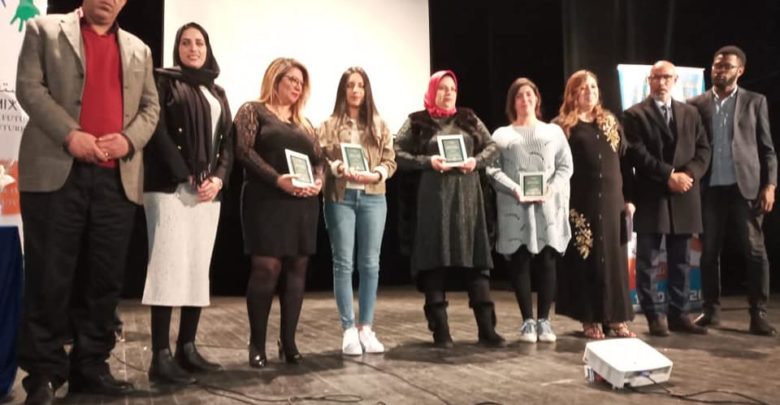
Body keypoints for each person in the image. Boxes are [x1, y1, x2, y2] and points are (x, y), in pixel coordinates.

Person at [14, 0, 159, 403]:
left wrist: (128, 140)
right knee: (49, 277)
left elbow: (151, 107)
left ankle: (91, 366)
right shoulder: (44, 30)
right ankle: (43, 374)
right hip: (56, 173)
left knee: (104, 280)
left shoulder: (140, 49)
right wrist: (70, 134)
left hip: (117, 179)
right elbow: (29, 87)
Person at [141, 22, 233, 385]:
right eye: (185, 42)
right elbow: (157, 131)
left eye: (199, 43)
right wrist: (185, 173)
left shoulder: (217, 91)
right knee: (167, 267)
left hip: (208, 191)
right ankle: (160, 356)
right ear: (177, 48)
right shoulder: (163, 82)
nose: (193, 48)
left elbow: (227, 143)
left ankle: (187, 348)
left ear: (207, 48)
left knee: (197, 267)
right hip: (169, 188)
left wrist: (218, 178)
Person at [395, 70, 504, 348]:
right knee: (434, 260)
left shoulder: (468, 118)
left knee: (476, 260)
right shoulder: (417, 121)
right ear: (433, 91)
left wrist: (476, 161)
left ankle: (487, 330)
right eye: (442, 88)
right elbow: (396, 151)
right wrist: (427, 161)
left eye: (452, 89)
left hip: (468, 199)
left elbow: (492, 146)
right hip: (433, 200)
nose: (448, 93)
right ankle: (441, 331)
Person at [234, 57, 323, 368]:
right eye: (291, 80)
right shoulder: (253, 110)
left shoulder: (304, 123)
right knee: (266, 269)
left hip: (302, 205)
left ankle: (289, 342)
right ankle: (257, 344)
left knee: (297, 270)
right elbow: (243, 151)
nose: (297, 87)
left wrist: (318, 182)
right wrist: (277, 180)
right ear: (275, 79)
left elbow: (319, 160)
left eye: (301, 83)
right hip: (266, 201)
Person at [688, 46, 777, 336]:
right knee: (708, 252)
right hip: (710, 188)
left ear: (740, 70)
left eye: (727, 66)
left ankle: (758, 313)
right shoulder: (696, 104)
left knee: (754, 251)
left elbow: (767, 149)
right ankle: (710, 310)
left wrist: (770, 185)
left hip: (745, 187)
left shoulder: (755, 101)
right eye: (717, 65)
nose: (720, 71)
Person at [623, 60, 711, 337]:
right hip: (652, 194)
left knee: (682, 260)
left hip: (685, 194)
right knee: (648, 261)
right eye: (656, 77)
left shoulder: (691, 112)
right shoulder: (634, 114)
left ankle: (679, 314)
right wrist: (669, 175)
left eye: (667, 77)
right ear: (649, 80)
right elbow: (637, 153)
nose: (661, 82)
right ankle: (654, 316)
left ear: (675, 80)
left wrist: (687, 176)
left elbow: (704, 150)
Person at [318, 67, 396, 355]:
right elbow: (320, 158)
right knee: (343, 263)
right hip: (340, 197)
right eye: (350, 85)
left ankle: (366, 328)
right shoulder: (328, 125)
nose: (355, 90)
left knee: (370, 263)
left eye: (360, 85)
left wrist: (376, 174)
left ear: (366, 90)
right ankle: (348, 329)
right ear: (343, 90)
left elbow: (390, 161)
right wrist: (336, 167)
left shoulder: (380, 124)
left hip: (373, 197)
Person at [487, 78, 573, 343]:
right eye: (519, 96)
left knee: (547, 261)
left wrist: (551, 189)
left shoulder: (554, 132)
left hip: (547, 208)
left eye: (529, 95)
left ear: (537, 99)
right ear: (512, 102)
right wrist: (515, 188)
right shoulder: (501, 135)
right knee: (520, 261)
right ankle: (527, 321)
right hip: (515, 208)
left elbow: (566, 166)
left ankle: (544, 321)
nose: (525, 100)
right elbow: (492, 169)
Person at [553, 70, 635, 339]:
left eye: (593, 86)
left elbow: (625, 162)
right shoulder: (562, 126)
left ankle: (616, 318)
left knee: (614, 260)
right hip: (581, 202)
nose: (590, 91)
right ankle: (589, 318)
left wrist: (630, 199)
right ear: (572, 93)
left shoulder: (610, 122)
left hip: (612, 202)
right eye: (583, 87)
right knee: (586, 259)